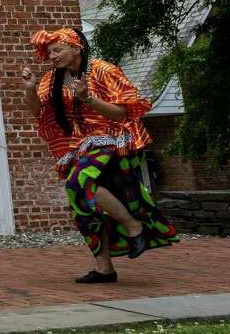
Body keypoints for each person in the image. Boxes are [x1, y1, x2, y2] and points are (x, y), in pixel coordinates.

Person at [21, 27, 178, 282]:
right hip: (83, 142)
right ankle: (104, 268)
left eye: (57, 50)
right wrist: (29, 88)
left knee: (80, 181)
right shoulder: (54, 79)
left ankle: (133, 226)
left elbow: (122, 113)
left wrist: (87, 98)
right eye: (49, 52)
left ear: (76, 48)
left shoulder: (104, 70)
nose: (52, 56)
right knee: (79, 199)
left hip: (112, 137)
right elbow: (38, 112)